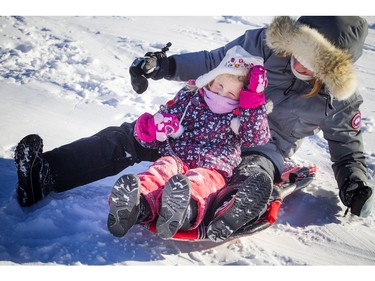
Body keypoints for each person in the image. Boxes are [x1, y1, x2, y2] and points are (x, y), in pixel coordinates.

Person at [14, 16, 374, 243]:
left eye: (313, 60)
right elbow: (211, 61)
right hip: (201, 118)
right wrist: (164, 65)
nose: (299, 60)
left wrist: (353, 183)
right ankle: (45, 174)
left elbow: (347, 145)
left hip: (258, 147)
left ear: (331, 70)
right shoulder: (265, 45)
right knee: (132, 136)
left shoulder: (340, 100)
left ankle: (197, 208)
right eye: (300, 48)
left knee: (252, 173)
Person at [107, 46, 270, 239]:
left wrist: (253, 101)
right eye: (219, 86)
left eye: (231, 94)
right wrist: (152, 130)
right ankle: (136, 204)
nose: (222, 95)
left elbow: (256, 137)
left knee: (199, 182)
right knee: (161, 169)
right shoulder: (190, 97)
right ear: (211, 80)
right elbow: (156, 130)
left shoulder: (242, 115)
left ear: (241, 97)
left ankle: (184, 211)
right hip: (178, 158)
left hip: (214, 168)